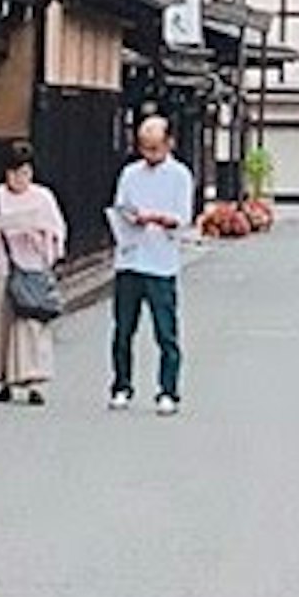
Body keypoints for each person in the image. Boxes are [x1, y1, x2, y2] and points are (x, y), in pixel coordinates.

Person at [0, 142, 67, 404]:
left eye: (24, 173)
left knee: (30, 327)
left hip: (30, 268)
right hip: (1, 269)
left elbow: (57, 234)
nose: (19, 179)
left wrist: (40, 235)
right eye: (14, 173)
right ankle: (3, 380)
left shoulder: (43, 198)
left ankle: (33, 381)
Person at [107, 104, 195, 409]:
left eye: (156, 148)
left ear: (169, 144)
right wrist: (131, 218)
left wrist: (157, 218)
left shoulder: (180, 175)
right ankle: (121, 385)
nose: (150, 154)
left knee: (165, 331)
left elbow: (182, 217)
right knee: (123, 330)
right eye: (145, 148)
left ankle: (168, 390)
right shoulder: (130, 173)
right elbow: (121, 207)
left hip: (161, 261)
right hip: (130, 258)